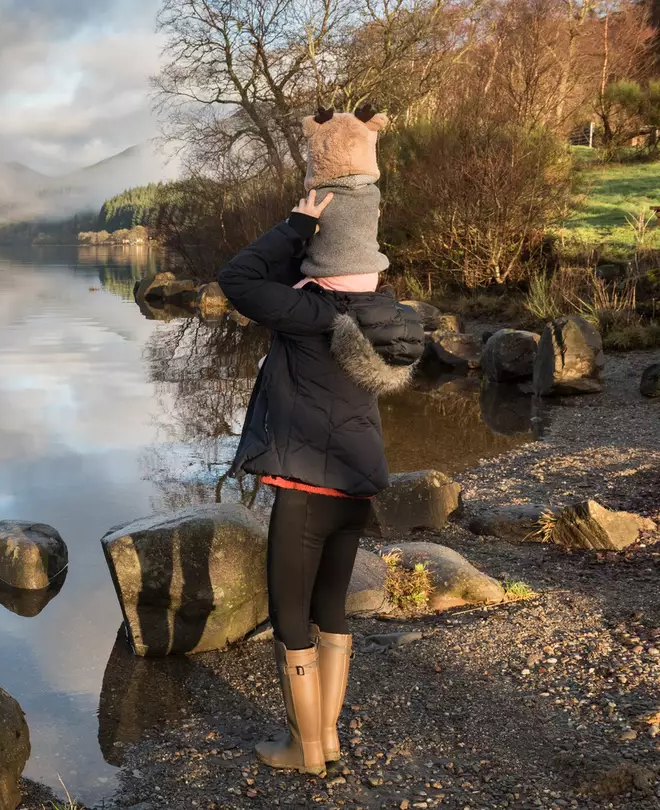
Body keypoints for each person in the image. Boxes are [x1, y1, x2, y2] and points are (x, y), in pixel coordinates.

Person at [218, 189, 425, 776]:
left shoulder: (309, 316)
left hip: (307, 490)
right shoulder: (390, 316)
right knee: (330, 608)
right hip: (357, 487)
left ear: (321, 261)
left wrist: (296, 226)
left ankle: (303, 749)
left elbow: (238, 278)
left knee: (291, 614)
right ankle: (326, 739)